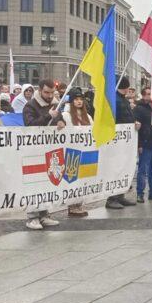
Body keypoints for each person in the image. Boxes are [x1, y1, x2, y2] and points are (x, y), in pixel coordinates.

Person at [22, 79, 65, 230]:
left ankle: (44, 214)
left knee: (46, 183)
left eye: (52, 92)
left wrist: (61, 122)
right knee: (34, 184)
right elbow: (30, 125)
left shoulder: (54, 103)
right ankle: (32, 217)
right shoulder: (30, 105)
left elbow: (60, 119)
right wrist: (48, 116)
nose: (49, 95)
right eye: (46, 92)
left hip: (50, 149)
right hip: (34, 151)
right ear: (39, 90)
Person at [105, 77, 140, 209]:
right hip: (117, 140)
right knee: (116, 169)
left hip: (125, 140)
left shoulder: (123, 99)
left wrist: (133, 123)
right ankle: (111, 198)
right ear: (124, 87)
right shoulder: (114, 99)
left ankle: (120, 195)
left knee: (123, 168)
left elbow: (127, 116)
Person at [62, 87, 92, 218]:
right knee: (72, 179)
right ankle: (72, 206)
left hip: (84, 151)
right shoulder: (66, 116)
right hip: (71, 152)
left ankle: (78, 203)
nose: (79, 102)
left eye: (81, 99)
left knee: (82, 180)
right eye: (76, 99)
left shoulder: (87, 116)